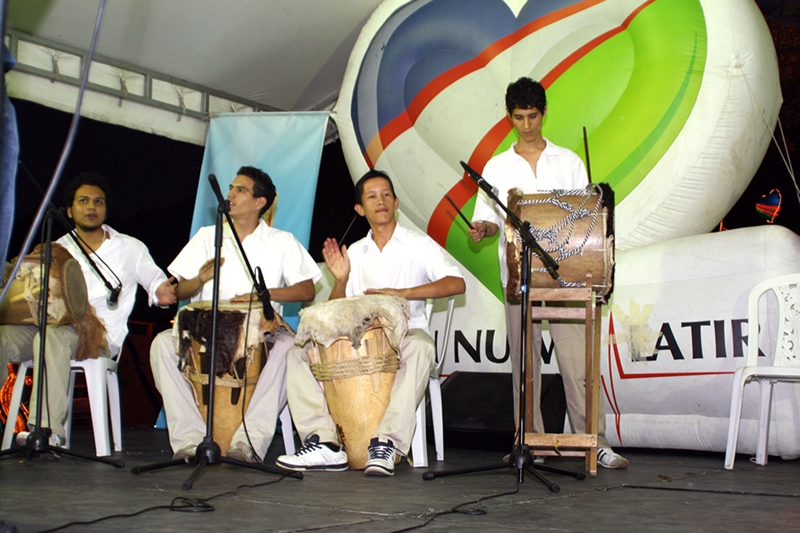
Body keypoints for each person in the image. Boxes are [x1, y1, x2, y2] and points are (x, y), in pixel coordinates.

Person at [468, 77, 628, 469]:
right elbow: (487, 219)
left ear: (544, 113)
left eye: (533, 116)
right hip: (519, 279)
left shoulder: (568, 161)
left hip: (566, 277)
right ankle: (529, 443)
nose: (526, 125)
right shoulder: (497, 166)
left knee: (578, 365)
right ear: (509, 117)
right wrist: (483, 229)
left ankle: (594, 442)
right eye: (519, 117)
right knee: (525, 367)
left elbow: (586, 216)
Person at [276, 169, 466, 476]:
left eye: (387, 194)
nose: (381, 201)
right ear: (360, 208)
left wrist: (403, 293)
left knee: (420, 346)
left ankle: (387, 443)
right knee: (297, 354)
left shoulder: (418, 244)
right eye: (372, 196)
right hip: (358, 345)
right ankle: (324, 443)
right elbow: (336, 311)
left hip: (405, 337)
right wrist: (341, 280)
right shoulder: (354, 252)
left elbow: (457, 283)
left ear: (396, 202)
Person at [150, 165, 321, 463]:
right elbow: (182, 290)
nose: (230, 194)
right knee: (162, 345)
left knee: (287, 347)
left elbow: (307, 290)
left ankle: (249, 442)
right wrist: (200, 280)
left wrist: (264, 295)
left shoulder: (281, 241)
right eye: (231, 188)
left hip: (260, 335)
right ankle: (188, 441)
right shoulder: (208, 236)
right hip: (205, 333)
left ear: (259, 202)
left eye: (240, 190)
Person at [0, 172, 177, 452]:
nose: (91, 207)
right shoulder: (58, 248)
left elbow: (157, 285)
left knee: (51, 338)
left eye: (98, 201)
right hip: (51, 327)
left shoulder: (129, 247)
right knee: (4, 338)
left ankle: (46, 431)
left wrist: (164, 294)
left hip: (100, 335)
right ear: (69, 211)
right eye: (83, 201)